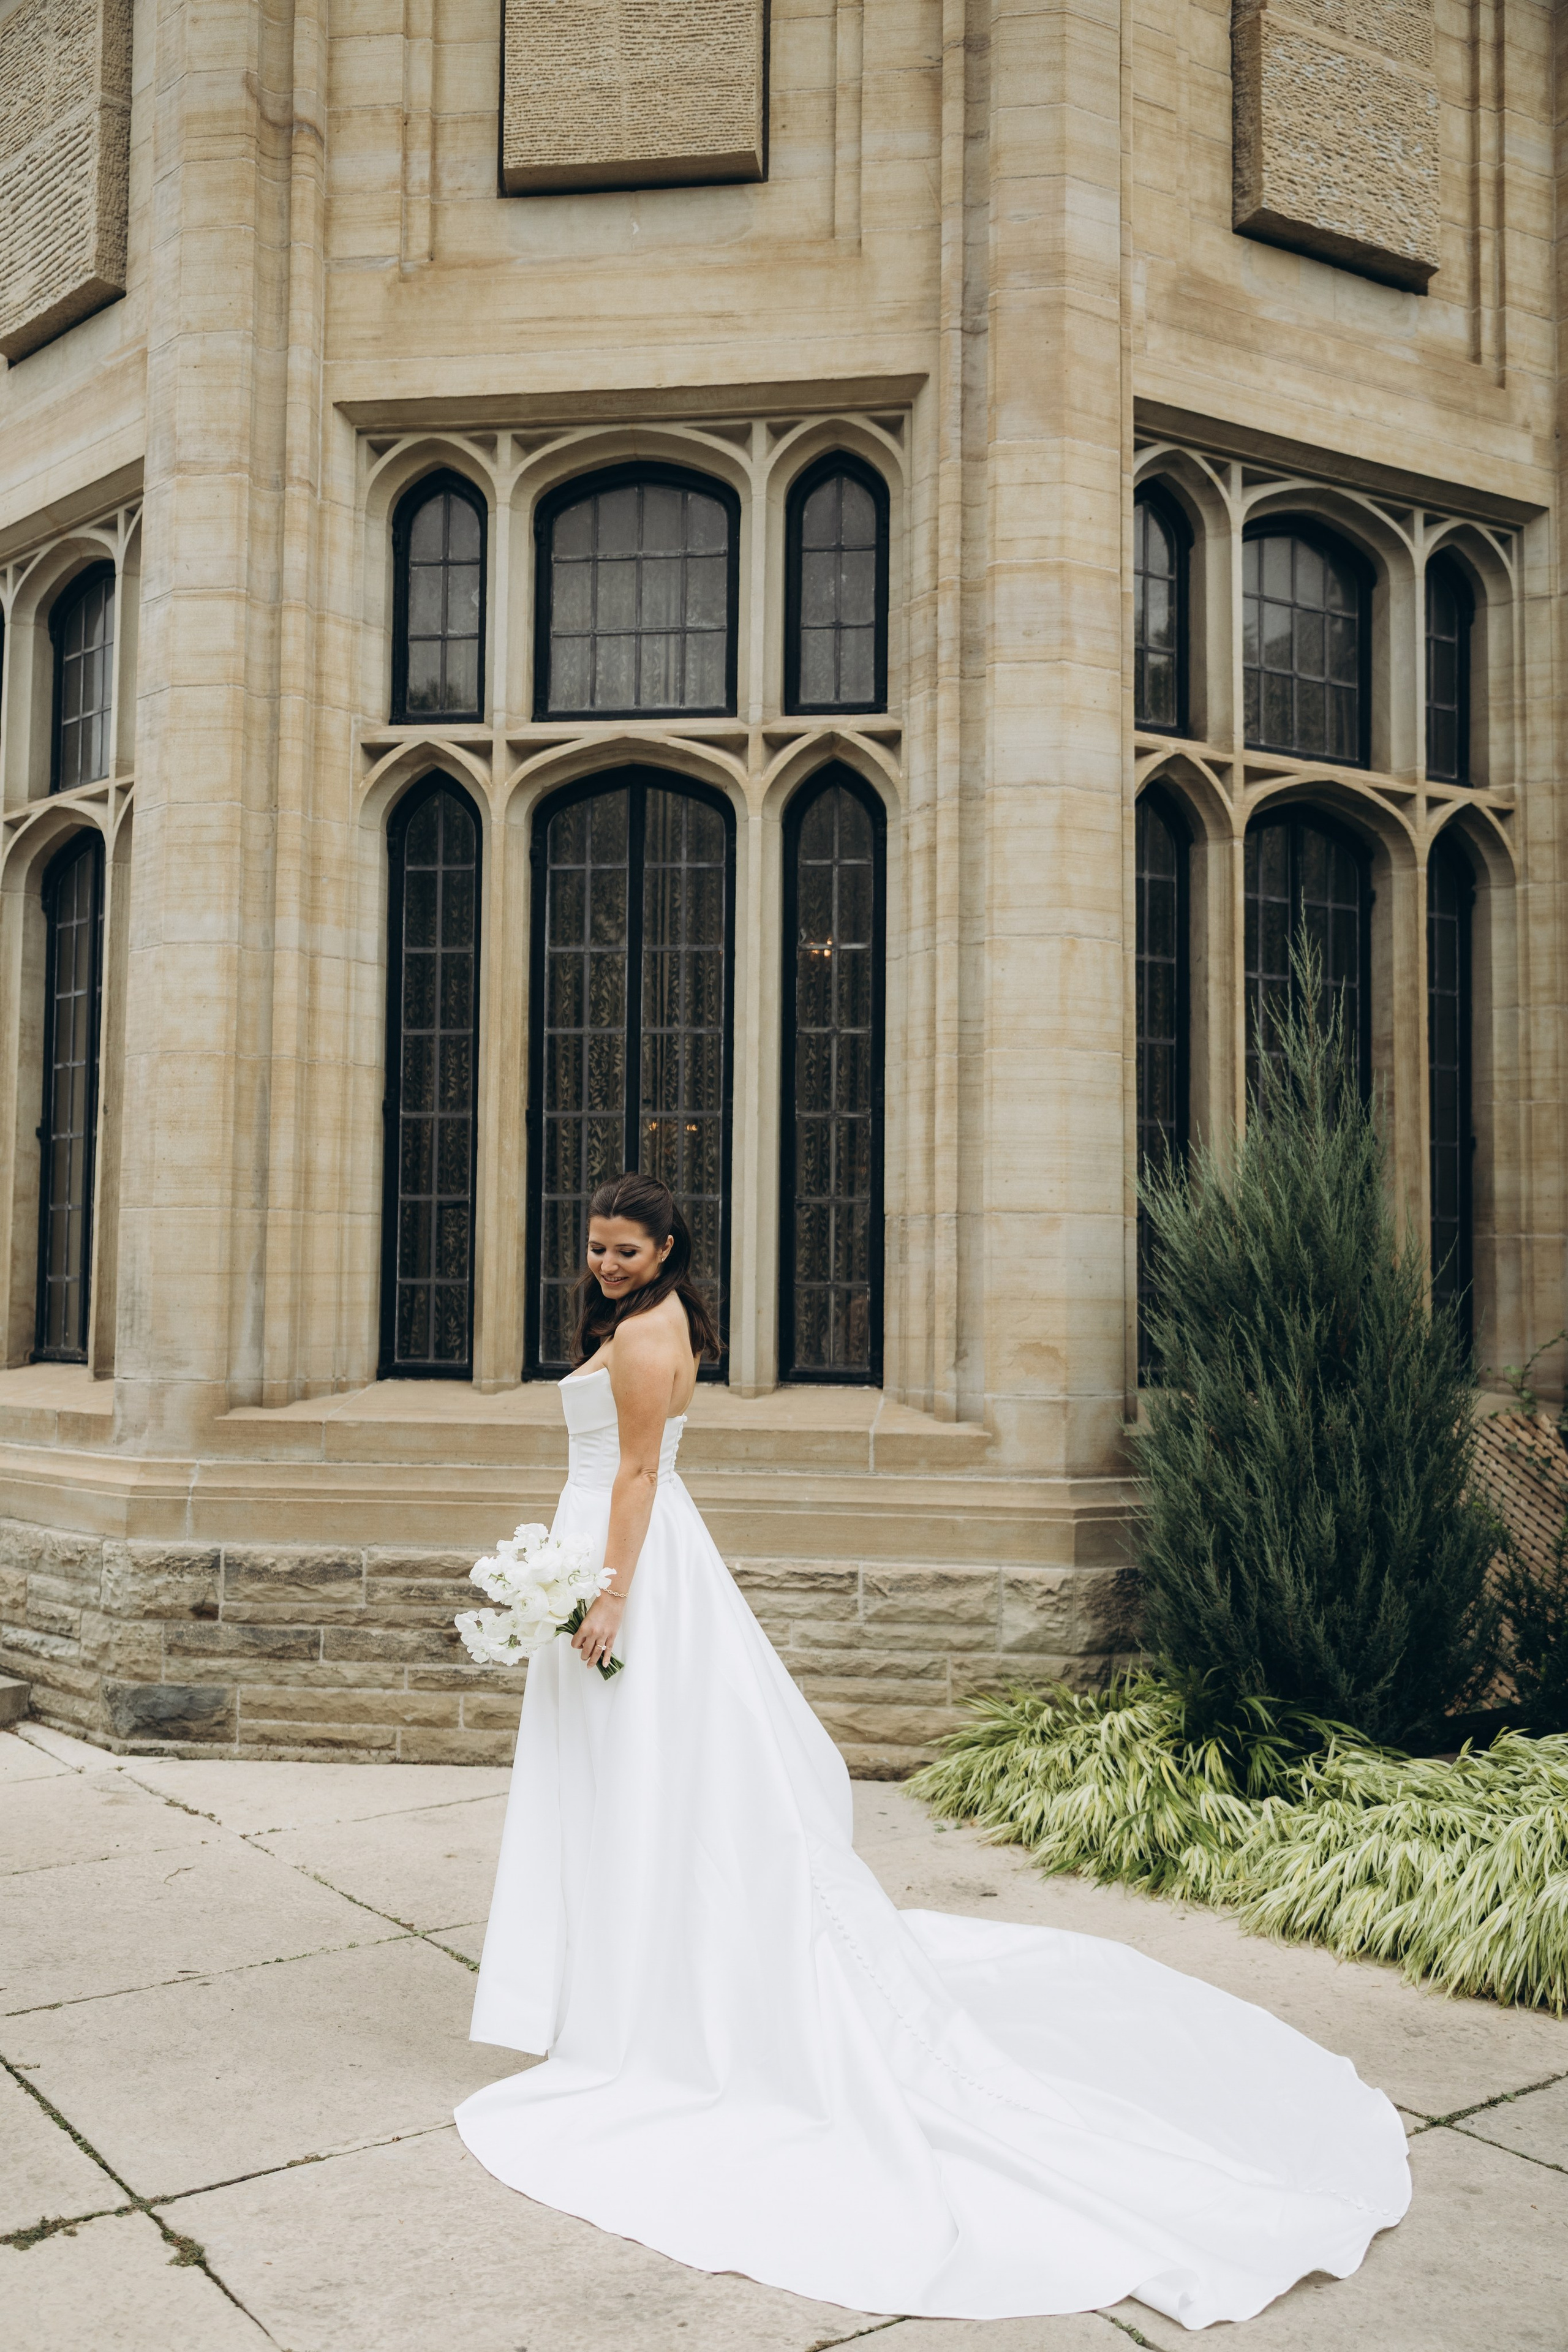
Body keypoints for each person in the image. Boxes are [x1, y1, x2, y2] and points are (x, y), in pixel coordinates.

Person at [456, 1172, 1410, 2331]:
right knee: (626, 1782)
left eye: (625, 1249)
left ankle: (652, 1990)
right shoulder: (628, 1320)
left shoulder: (652, 1335)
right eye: (597, 1248)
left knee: (657, 1778)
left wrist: (605, 1595)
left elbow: (642, 1474)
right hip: (601, 1554)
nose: (607, 1264)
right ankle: (614, 1977)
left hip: (626, 1569)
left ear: (666, 1249)